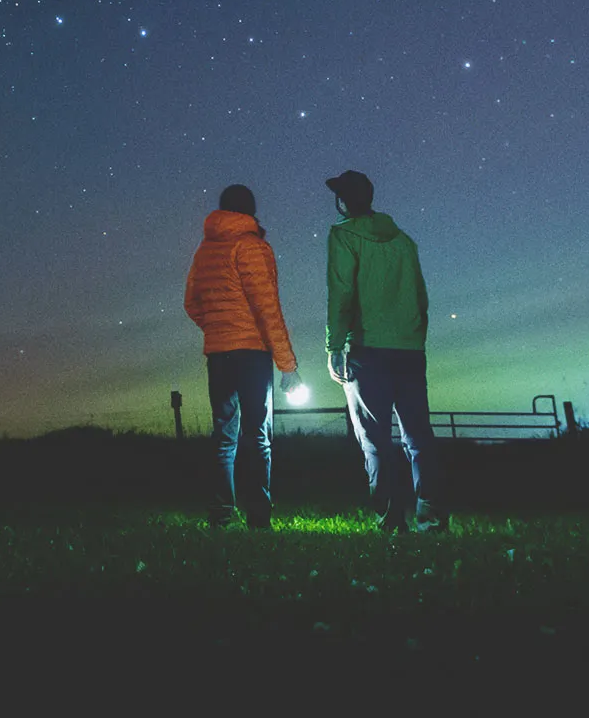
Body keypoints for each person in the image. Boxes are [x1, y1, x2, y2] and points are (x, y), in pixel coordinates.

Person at [324, 170, 445, 533]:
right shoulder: (404, 241)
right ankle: (432, 517)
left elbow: (341, 293)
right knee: (419, 435)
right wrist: (415, 336)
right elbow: (421, 297)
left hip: (368, 348)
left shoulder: (343, 235)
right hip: (409, 349)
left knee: (374, 439)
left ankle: (390, 520)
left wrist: (334, 345)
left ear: (344, 201)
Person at [184, 184, 303, 529]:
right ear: (250, 210)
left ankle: (221, 515)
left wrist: (218, 329)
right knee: (258, 436)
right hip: (252, 354)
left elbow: (191, 303)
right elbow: (267, 308)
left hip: (219, 354)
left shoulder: (204, 250)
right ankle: (259, 517)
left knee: (224, 436)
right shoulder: (252, 246)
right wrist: (288, 365)